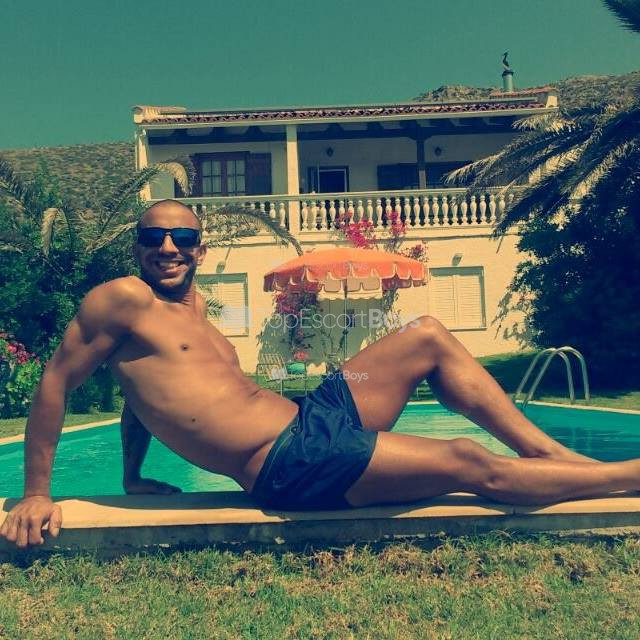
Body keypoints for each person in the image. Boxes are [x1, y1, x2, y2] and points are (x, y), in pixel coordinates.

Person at [1, 199, 638, 550]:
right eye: (154, 236)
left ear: (200, 248)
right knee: (467, 460)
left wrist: (132, 476)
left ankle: (551, 455)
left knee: (425, 335)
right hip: (287, 464)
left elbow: (141, 393)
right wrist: (35, 492)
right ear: (138, 246)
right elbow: (56, 382)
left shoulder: (195, 313)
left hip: (312, 420)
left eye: (182, 237)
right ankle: (623, 477)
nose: (167, 247)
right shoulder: (122, 299)